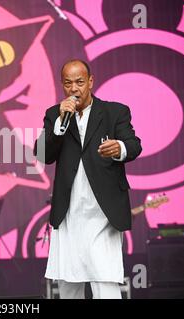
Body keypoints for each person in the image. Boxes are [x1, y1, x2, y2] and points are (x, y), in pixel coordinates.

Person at [34, 59, 142, 299]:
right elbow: (41, 153)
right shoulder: (54, 115)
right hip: (69, 212)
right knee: (68, 285)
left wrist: (120, 147)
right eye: (68, 83)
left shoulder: (115, 112)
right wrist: (61, 123)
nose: (74, 89)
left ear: (91, 82)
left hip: (103, 213)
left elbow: (134, 145)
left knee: (105, 281)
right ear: (62, 86)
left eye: (80, 82)